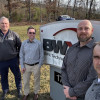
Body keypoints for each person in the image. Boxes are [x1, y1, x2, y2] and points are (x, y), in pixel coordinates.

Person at [61, 20, 97, 100]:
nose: (83, 31)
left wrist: (72, 92)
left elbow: (92, 78)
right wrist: (67, 89)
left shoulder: (96, 50)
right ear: (77, 31)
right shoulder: (71, 49)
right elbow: (63, 69)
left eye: (86, 28)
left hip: (85, 97)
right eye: (80, 29)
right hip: (68, 94)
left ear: (92, 30)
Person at [0, 16, 22, 100]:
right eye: (2, 23)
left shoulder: (14, 34)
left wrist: (19, 59)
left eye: (6, 23)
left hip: (13, 60)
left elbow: (20, 47)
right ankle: (5, 90)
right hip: (1, 61)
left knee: (17, 75)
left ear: (9, 24)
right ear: (0, 24)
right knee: (3, 76)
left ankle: (19, 89)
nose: (4, 25)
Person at [19, 26, 44, 100]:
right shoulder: (23, 43)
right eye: (30, 33)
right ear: (27, 33)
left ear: (35, 34)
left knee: (37, 80)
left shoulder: (39, 43)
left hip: (36, 65)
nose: (32, 34)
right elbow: (21, 55)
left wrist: (39, 65)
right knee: (26, 81)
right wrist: (22, 66)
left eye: (33, 33)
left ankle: (36, 93)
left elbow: (41, 55)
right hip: (26, 66)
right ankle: (26, 93)